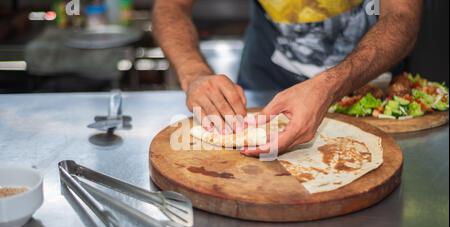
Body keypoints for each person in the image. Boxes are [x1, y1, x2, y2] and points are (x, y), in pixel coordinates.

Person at [152, 0, 423, 156]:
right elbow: (170, 7)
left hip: (368, 94)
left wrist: (330, 85)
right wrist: (193, 72)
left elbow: (402, 16)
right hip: (263, 85)